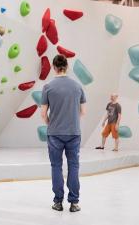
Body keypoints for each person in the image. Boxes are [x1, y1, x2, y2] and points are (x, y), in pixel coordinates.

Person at [40, 55, 86, 212]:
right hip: (74, 133)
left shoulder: (48, 87)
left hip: (54, 133)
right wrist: (72, 121)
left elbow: (43, 113)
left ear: (54, 67)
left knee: (56, 166)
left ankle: (58, 202)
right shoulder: (77, 86)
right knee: (74, 166)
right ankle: (74, 203)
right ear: (66, 66)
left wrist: (50, 123)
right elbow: (83, 112)